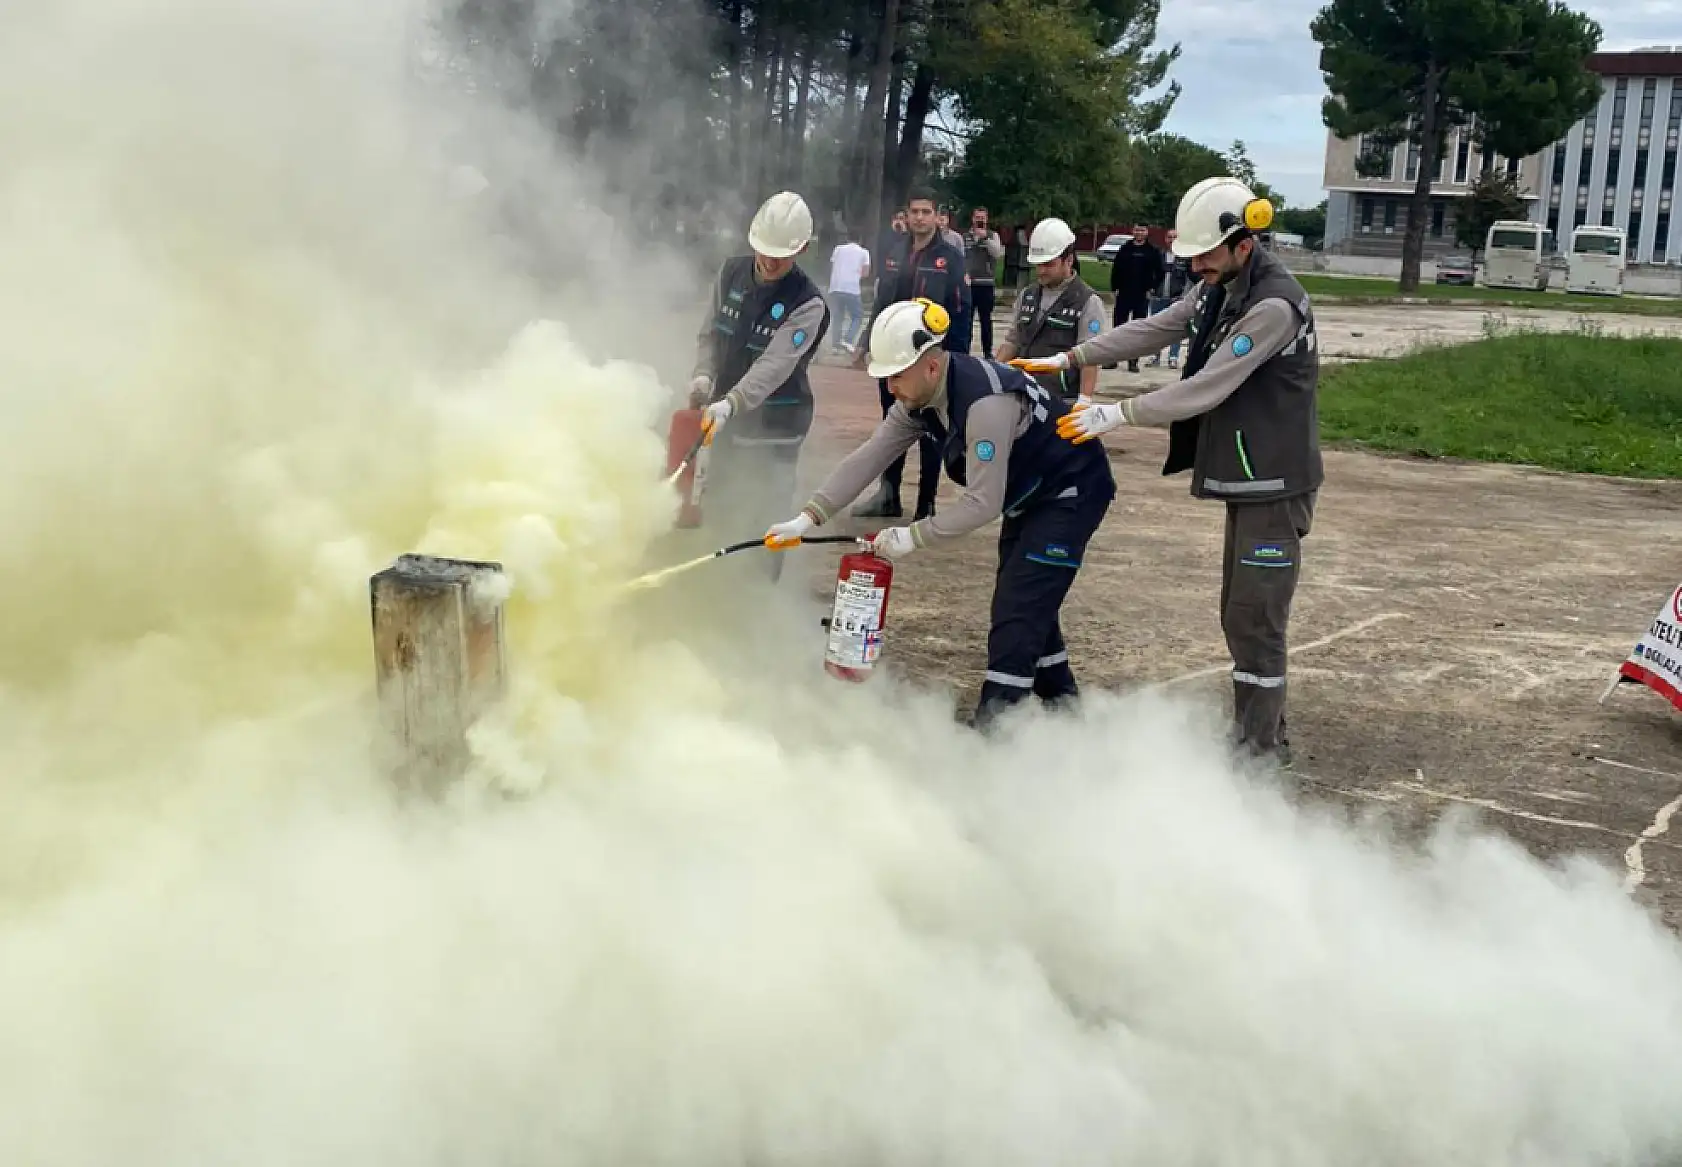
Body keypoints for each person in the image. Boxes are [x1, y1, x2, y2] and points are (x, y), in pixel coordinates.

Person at [1012, 177, 1321, 767]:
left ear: (1243, 243)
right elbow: (1157, 326)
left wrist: (1116, 414)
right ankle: (1254, 738)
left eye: (1206, 254)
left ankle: (1258, 753)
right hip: (1248, 477)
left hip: (1276, 484)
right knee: (1241, 612)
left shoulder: (1273, 307)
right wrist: (1071, 356)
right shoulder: (1220, 286)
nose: (1196, 265)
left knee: (1255, 618)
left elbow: (1205, 387)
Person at [765, 298, 1116, 729]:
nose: (890, 387)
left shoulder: (986, 403)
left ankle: (998, 728)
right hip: (1029, 495)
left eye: (896, 376)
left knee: (1018, 605)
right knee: (1027, 594)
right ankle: (1065, 708)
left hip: (1071, 488)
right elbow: (870, 455)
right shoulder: (919, 400)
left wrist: (913, 536)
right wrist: (807, 517)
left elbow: (982, 503)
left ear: (930, 365)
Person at [688, 190, 831, 582]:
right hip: (725, 416)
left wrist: (732, 401)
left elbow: (774, 366)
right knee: (717, 498)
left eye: (781, 254)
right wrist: (703, 374)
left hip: (775, 428)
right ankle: (715, 584)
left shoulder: (809, 303)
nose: (769, 261)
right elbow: (710, 334)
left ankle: (757, 594)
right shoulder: (731, 272)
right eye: (763, 250)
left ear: (801, 248)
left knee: (761, 510)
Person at [852, 190, 968, 520]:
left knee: (931, 430)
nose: (919, 217)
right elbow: (880, 303)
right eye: (914, 211)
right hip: (893, 356)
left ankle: (926, 504)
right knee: (892, 425)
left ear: (936, 216)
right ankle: (887, 496)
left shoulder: (950, 258)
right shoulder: (893, 253)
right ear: (906, 215)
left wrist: (955, 357)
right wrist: (865, 342)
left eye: (926, 211)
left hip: (931, 358)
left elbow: (961, 308)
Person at [994, 217, 1105, 404]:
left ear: (1068, 260)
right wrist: (994, 374)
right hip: (1023, 393)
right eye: (1038, 264)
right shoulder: (1027, 295)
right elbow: (1013, 340)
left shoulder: (1087, 301)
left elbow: (1090, 356)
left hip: (1061, 400)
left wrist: (1084, 401)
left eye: (1048, 264)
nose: (1041, 271)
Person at [1107, 223, 1165, 372]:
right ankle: (1112, 359)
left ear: (1147, 232)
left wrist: (1152, 288)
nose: (1139, 232)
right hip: (1124, 293)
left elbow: (1160, 272)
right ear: (1133, 231)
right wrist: (1115, 288)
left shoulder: (1152, 251)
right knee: (1118, 328)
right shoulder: (1125, 249)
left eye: (1142, 230)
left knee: (1138, 330)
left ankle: (1133, 362)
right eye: (1137, 229)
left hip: (1142, 295)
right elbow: (1116, 269)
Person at [962, 207, 1006, 359]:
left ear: (987, 220)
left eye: (983, 217)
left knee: (986, 320)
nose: (980, 220)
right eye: (977, 217)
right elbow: (961, 257)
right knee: (966, 319)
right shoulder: (965, 236)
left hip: (986, 284)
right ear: (972, 219)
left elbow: (998, 253)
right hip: (969, 284)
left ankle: (988, 352)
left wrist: (985, 239)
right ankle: (964, 350)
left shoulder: (993, 235)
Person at [1148, 228, 1192, 369]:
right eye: (1169, 237)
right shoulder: (1158, 255)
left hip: (1176, 298)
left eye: (1174, 237)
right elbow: (1150, 274)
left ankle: (1173, 357)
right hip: (1158, 298)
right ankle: (1155, 355)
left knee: (1176, 329)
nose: (1171, 240)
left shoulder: (1184, 257)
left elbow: (1189, 279)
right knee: (1156, 328)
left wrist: (1183, 296)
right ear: (1165, 239)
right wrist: (1150, 289)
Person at [826, 228, 871, 355]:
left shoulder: (838, 249)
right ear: (860, 240)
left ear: (847, 238)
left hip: (835, 286)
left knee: (837, 316)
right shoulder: (864, 252)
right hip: (851, 288)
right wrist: (856, 275)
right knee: (857, 316)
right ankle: (848, 339)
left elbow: (832, 265)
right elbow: (866, 272)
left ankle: (835, 345)